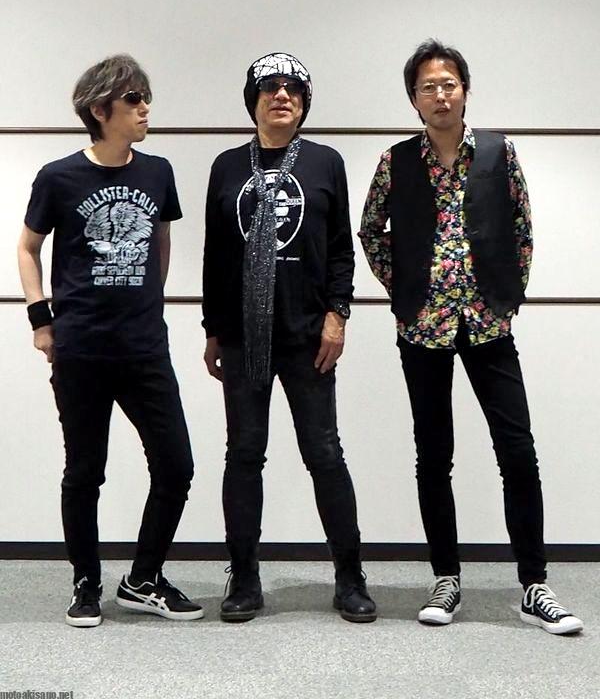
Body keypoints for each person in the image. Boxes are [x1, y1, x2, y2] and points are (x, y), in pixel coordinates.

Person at [358, 38, 582, 635]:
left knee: (517, 449)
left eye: (449, 84)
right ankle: (446, 577)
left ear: (465, 91)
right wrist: (404, 288)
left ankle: (534, 583)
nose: (440, 95)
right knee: (434, 455)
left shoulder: (499, 153)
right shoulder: (395, 161)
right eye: (428, 87)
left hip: (488, 323)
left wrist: (507, 293)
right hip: (423, 327)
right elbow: (371, 230)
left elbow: (522, 226)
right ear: (414, 99)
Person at [17, 54, 203, 627]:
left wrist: (148, 303)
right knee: (85, 471)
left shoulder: (158, 172)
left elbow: (160, 244)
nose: (146, 108)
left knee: (176, 466)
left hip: (144, 347)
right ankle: (86, 582)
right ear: (100, 110)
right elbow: (27, 248)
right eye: (134, 99)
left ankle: (143, 578)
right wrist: (41, 321)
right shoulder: (58, 177)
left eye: (146, 97)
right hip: (81, 350)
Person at [202, 52, 376, 623]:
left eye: (293, 89)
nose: (282, 96)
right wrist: (212, 329)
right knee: (243, 454)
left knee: (324, 454)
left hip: (307, 335)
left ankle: (349, 578)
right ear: (252, 101)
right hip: (242, 336)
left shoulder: (326, 162)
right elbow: (215, 254)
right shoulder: (227, 166)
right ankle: (244, 578)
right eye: (270, 88)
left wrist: (338, 315)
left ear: (304, 103)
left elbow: (342, 249)